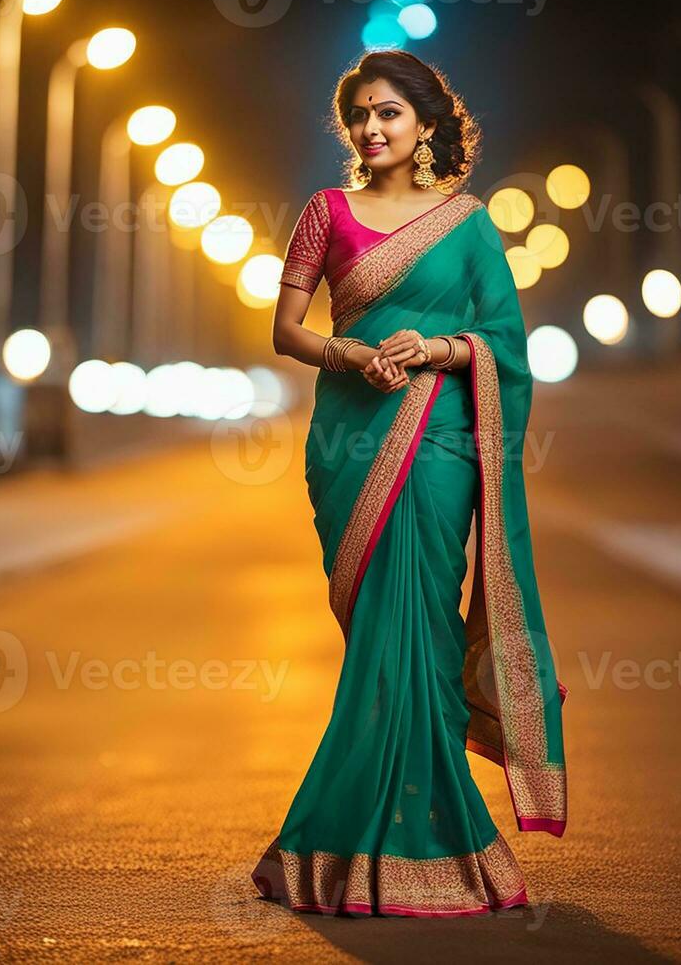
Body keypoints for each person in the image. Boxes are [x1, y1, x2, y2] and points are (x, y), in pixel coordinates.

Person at [253, 49, 567, 918]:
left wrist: (436, 349)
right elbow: (285, 330)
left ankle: (435, 838)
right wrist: (347, 352)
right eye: (360, 115)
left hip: (439, 444)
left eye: (389, 112)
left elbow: (504, 342)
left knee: (423, 629)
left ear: (425, 125)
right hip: (350, 444)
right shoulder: (325, 213)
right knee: (375, 641)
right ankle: (364, 841)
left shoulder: (466, 226)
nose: (372, 128)